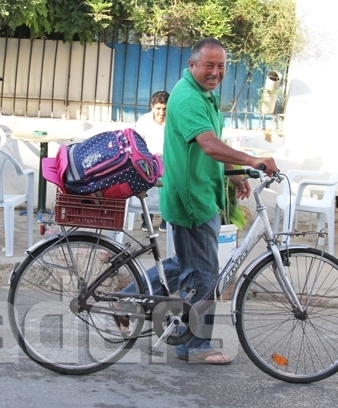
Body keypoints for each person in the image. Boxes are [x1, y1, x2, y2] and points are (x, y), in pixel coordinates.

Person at [117, 38, 278, 364]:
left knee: (188, 263)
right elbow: (207, 144)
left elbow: (214, 143)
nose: (216, 72)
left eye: (221, 66)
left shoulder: (205, 95)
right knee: (204, 273)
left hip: (200, 192)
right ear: (192, 65)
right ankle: (193, 346)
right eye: (209, 65)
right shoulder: (189, 97)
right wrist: (253, 159)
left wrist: (233, 173)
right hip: (191, 198)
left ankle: (127, 300)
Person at [134, 90, 169, 231]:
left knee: (169, 184)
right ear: (152, 107)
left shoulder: (175, 120)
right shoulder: (144, 121)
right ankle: (147, 217)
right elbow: (136, 142)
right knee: (146, 180)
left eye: (165, 109)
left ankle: (166, 218)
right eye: (158, 109)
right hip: (149, 160)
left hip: (168, 160)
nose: (161, 113)